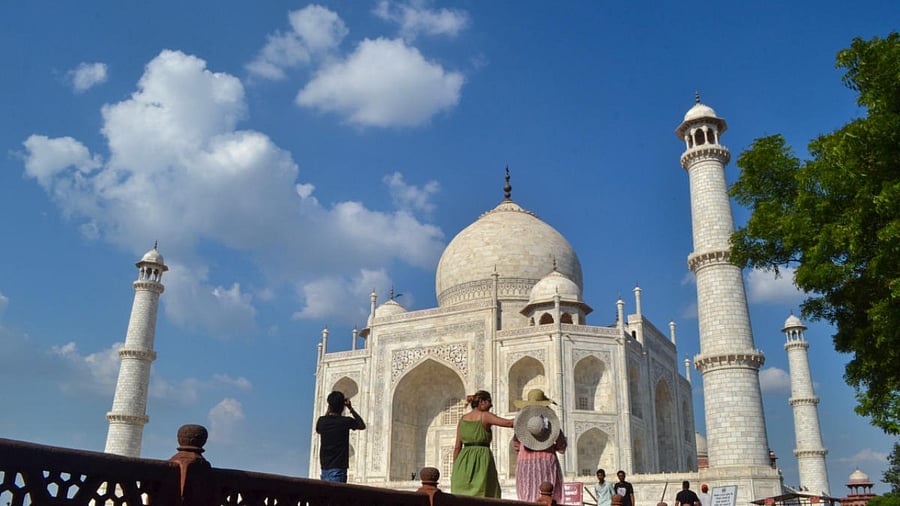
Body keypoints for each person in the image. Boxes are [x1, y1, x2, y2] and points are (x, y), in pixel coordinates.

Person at [450, 390, 514, 497]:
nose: (491, 405)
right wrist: (528, 417)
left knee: (462, 497)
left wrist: (456, 467)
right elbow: (508, 423)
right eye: (489, 402)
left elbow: (457, 447)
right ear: (482, 402)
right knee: (484, 494)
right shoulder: (485, 416)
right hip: (482, 459)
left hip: (463, 461)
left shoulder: (462, 419)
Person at [512, 389, 567, 502]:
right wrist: (550, 445)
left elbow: (516, 445)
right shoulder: (551, 424)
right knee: (548, 493)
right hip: (547, 462)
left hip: (525, 462)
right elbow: (561, 446)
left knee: (527, 494)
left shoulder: (523, 424)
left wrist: (528, 446)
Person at [315, 390, 366, 483]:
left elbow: (318, 430)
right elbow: (362, 425)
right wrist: (351, 408)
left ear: (329, 406)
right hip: (338, 470)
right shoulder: (345, 422)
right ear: (343, 407)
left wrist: (328, 410)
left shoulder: (322, 421)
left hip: (324, 469)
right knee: (336, 497)